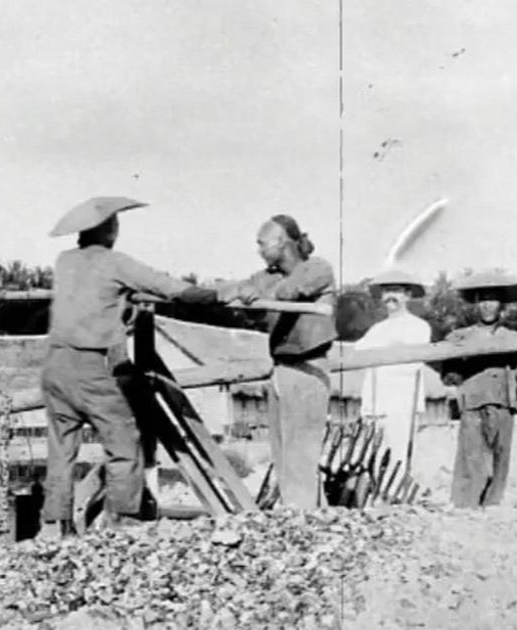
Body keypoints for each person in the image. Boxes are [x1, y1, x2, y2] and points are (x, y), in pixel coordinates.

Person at [40, 197, 220, 538]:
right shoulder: (115, 263)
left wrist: (120, 308)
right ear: (109, 229)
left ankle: (54, 523)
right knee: (123, 440)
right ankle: (122, 519)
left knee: (61, 447)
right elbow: (167, 287)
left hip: (54, 365)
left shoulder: (64, 262)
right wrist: (208, 295)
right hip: (88, 365)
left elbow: (88, 303)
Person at [216, 215, 337, 510]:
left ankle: (305, 517)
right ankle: (302, 515)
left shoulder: (317, 268)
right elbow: (239, 292)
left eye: (262, 243)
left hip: (310, 368)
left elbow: (289, 292)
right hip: (281, 368)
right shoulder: (266, 277)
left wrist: (258, 294)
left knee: (302, 453)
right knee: (283, 453)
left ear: (282, 243)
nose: (258, 249)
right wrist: (242, 294)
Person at [441, 271, 517, 509]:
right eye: (482, 299)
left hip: (503, 402)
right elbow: (449, 376)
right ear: (476, 303)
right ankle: (465, 506)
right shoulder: (460, 336)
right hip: (473, 403)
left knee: (500, 459)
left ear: (501, 305)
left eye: (492, 300)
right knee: (470, 458)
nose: (487, 306)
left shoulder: (514, 338)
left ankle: (492, 506)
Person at [354, 269, 432, 483]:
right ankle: (376, 497)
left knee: (399, 456)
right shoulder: (377, 329)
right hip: (376, 402)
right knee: (375, 455)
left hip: (402, 403)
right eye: (386, 291)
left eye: (396, 291)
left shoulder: (418, 327)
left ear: (407, 295)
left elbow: (413, 364)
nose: (391, 296)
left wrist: (388, 348)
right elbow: (358, 354)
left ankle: (396, 501)